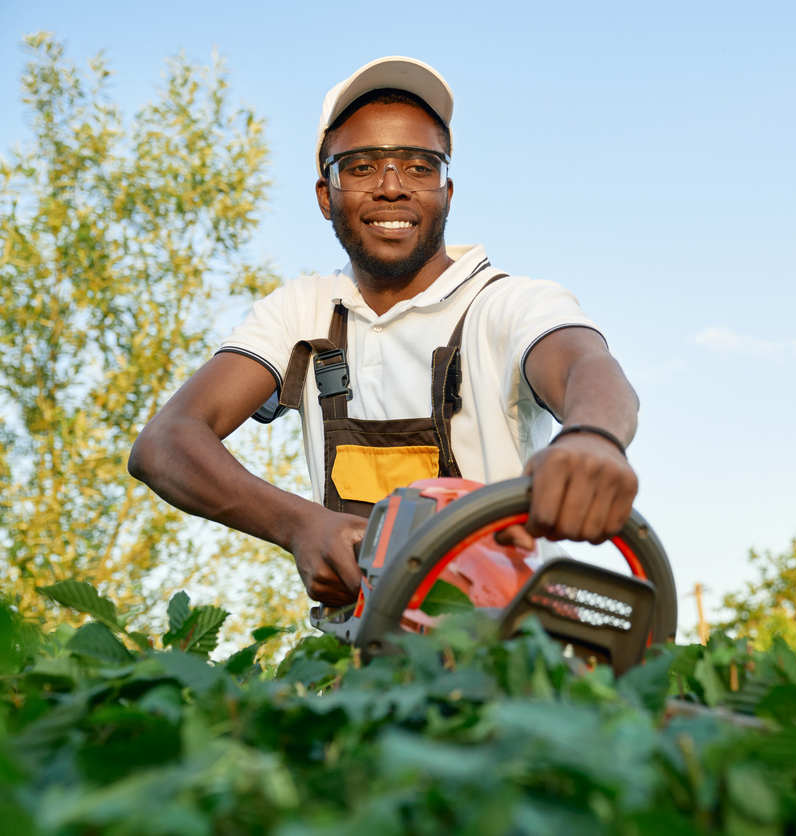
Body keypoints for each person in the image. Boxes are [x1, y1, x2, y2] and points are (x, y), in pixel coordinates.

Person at [128, 56, 640, 608]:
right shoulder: (303, 313)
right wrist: (301, 525)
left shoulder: (506, 304)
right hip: (369, 668)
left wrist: (594, 437)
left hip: (516, 649)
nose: (393, 187)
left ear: (447, 191)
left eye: (420, 167)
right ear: (326, 195)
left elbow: (586, 366)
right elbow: (166, 444)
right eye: (362, 166)